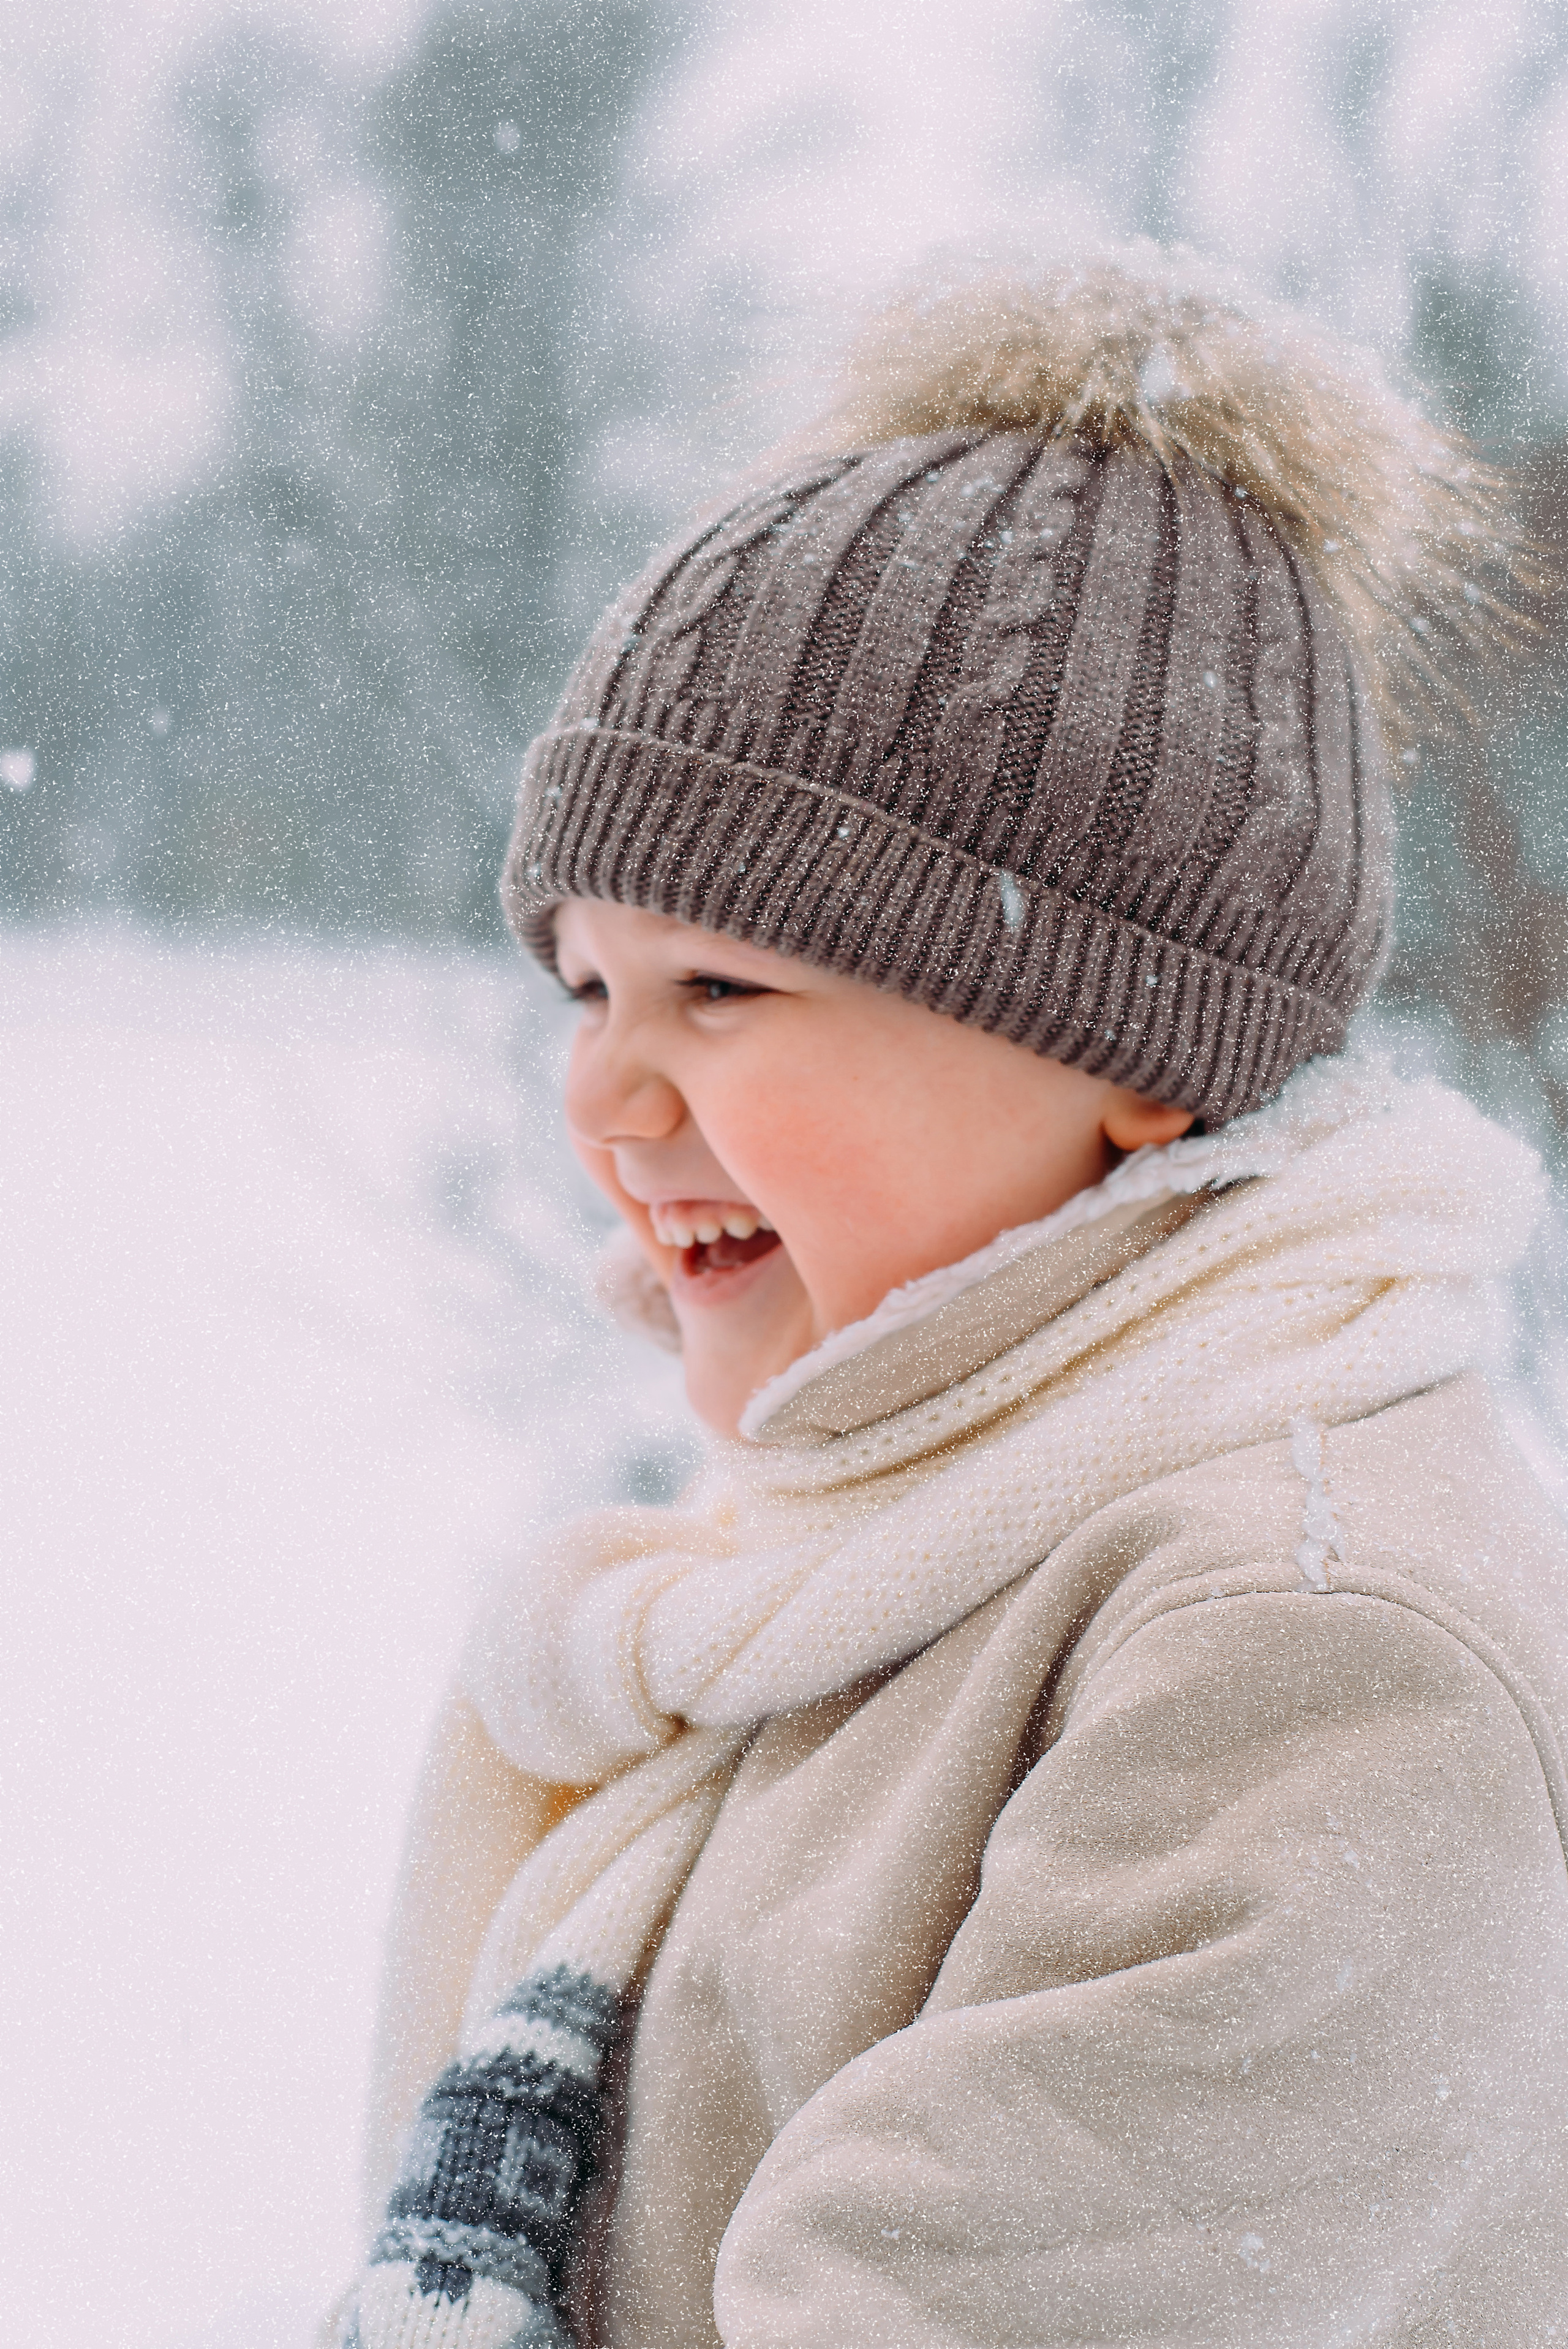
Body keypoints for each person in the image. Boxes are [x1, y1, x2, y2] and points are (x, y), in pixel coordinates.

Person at [332, 257, 1568, 2348]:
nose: (607, 1096)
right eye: (588, 986)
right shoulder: (880, 1559)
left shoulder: (1309, 1646)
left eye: (724, 986)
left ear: (1129, 1046)